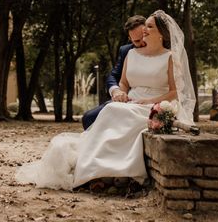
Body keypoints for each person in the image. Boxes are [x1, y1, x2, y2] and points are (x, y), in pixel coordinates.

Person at [16, 10, 195, 190]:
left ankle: (113, 172)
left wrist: (149, 101)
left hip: (154, 104)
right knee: (113, 109)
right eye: (145, 26)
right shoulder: (131, 54)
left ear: (162, 33)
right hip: (130, 102)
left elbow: (175, 92)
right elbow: (123, 81)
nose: (144, 31)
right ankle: (95, 169)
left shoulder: (170, 57)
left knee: (114, 111)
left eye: (150, 26)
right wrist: (120, 93)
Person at [81, 15, 147, 130]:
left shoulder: (166, 51)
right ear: (130, 39)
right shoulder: (126, 51)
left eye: (144, 37)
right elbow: (114, 75)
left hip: (151, 101)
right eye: (137, 41)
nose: (142, 43)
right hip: (128, 98)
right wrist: (116, 91)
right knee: (88, 117)